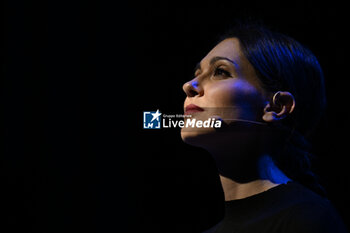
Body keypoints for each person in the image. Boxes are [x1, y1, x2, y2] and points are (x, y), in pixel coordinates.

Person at [180, 23, 348, 233]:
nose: (189, 85)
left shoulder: (309, 220)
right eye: (197, 73)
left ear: (277, 107)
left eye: (220, 71)